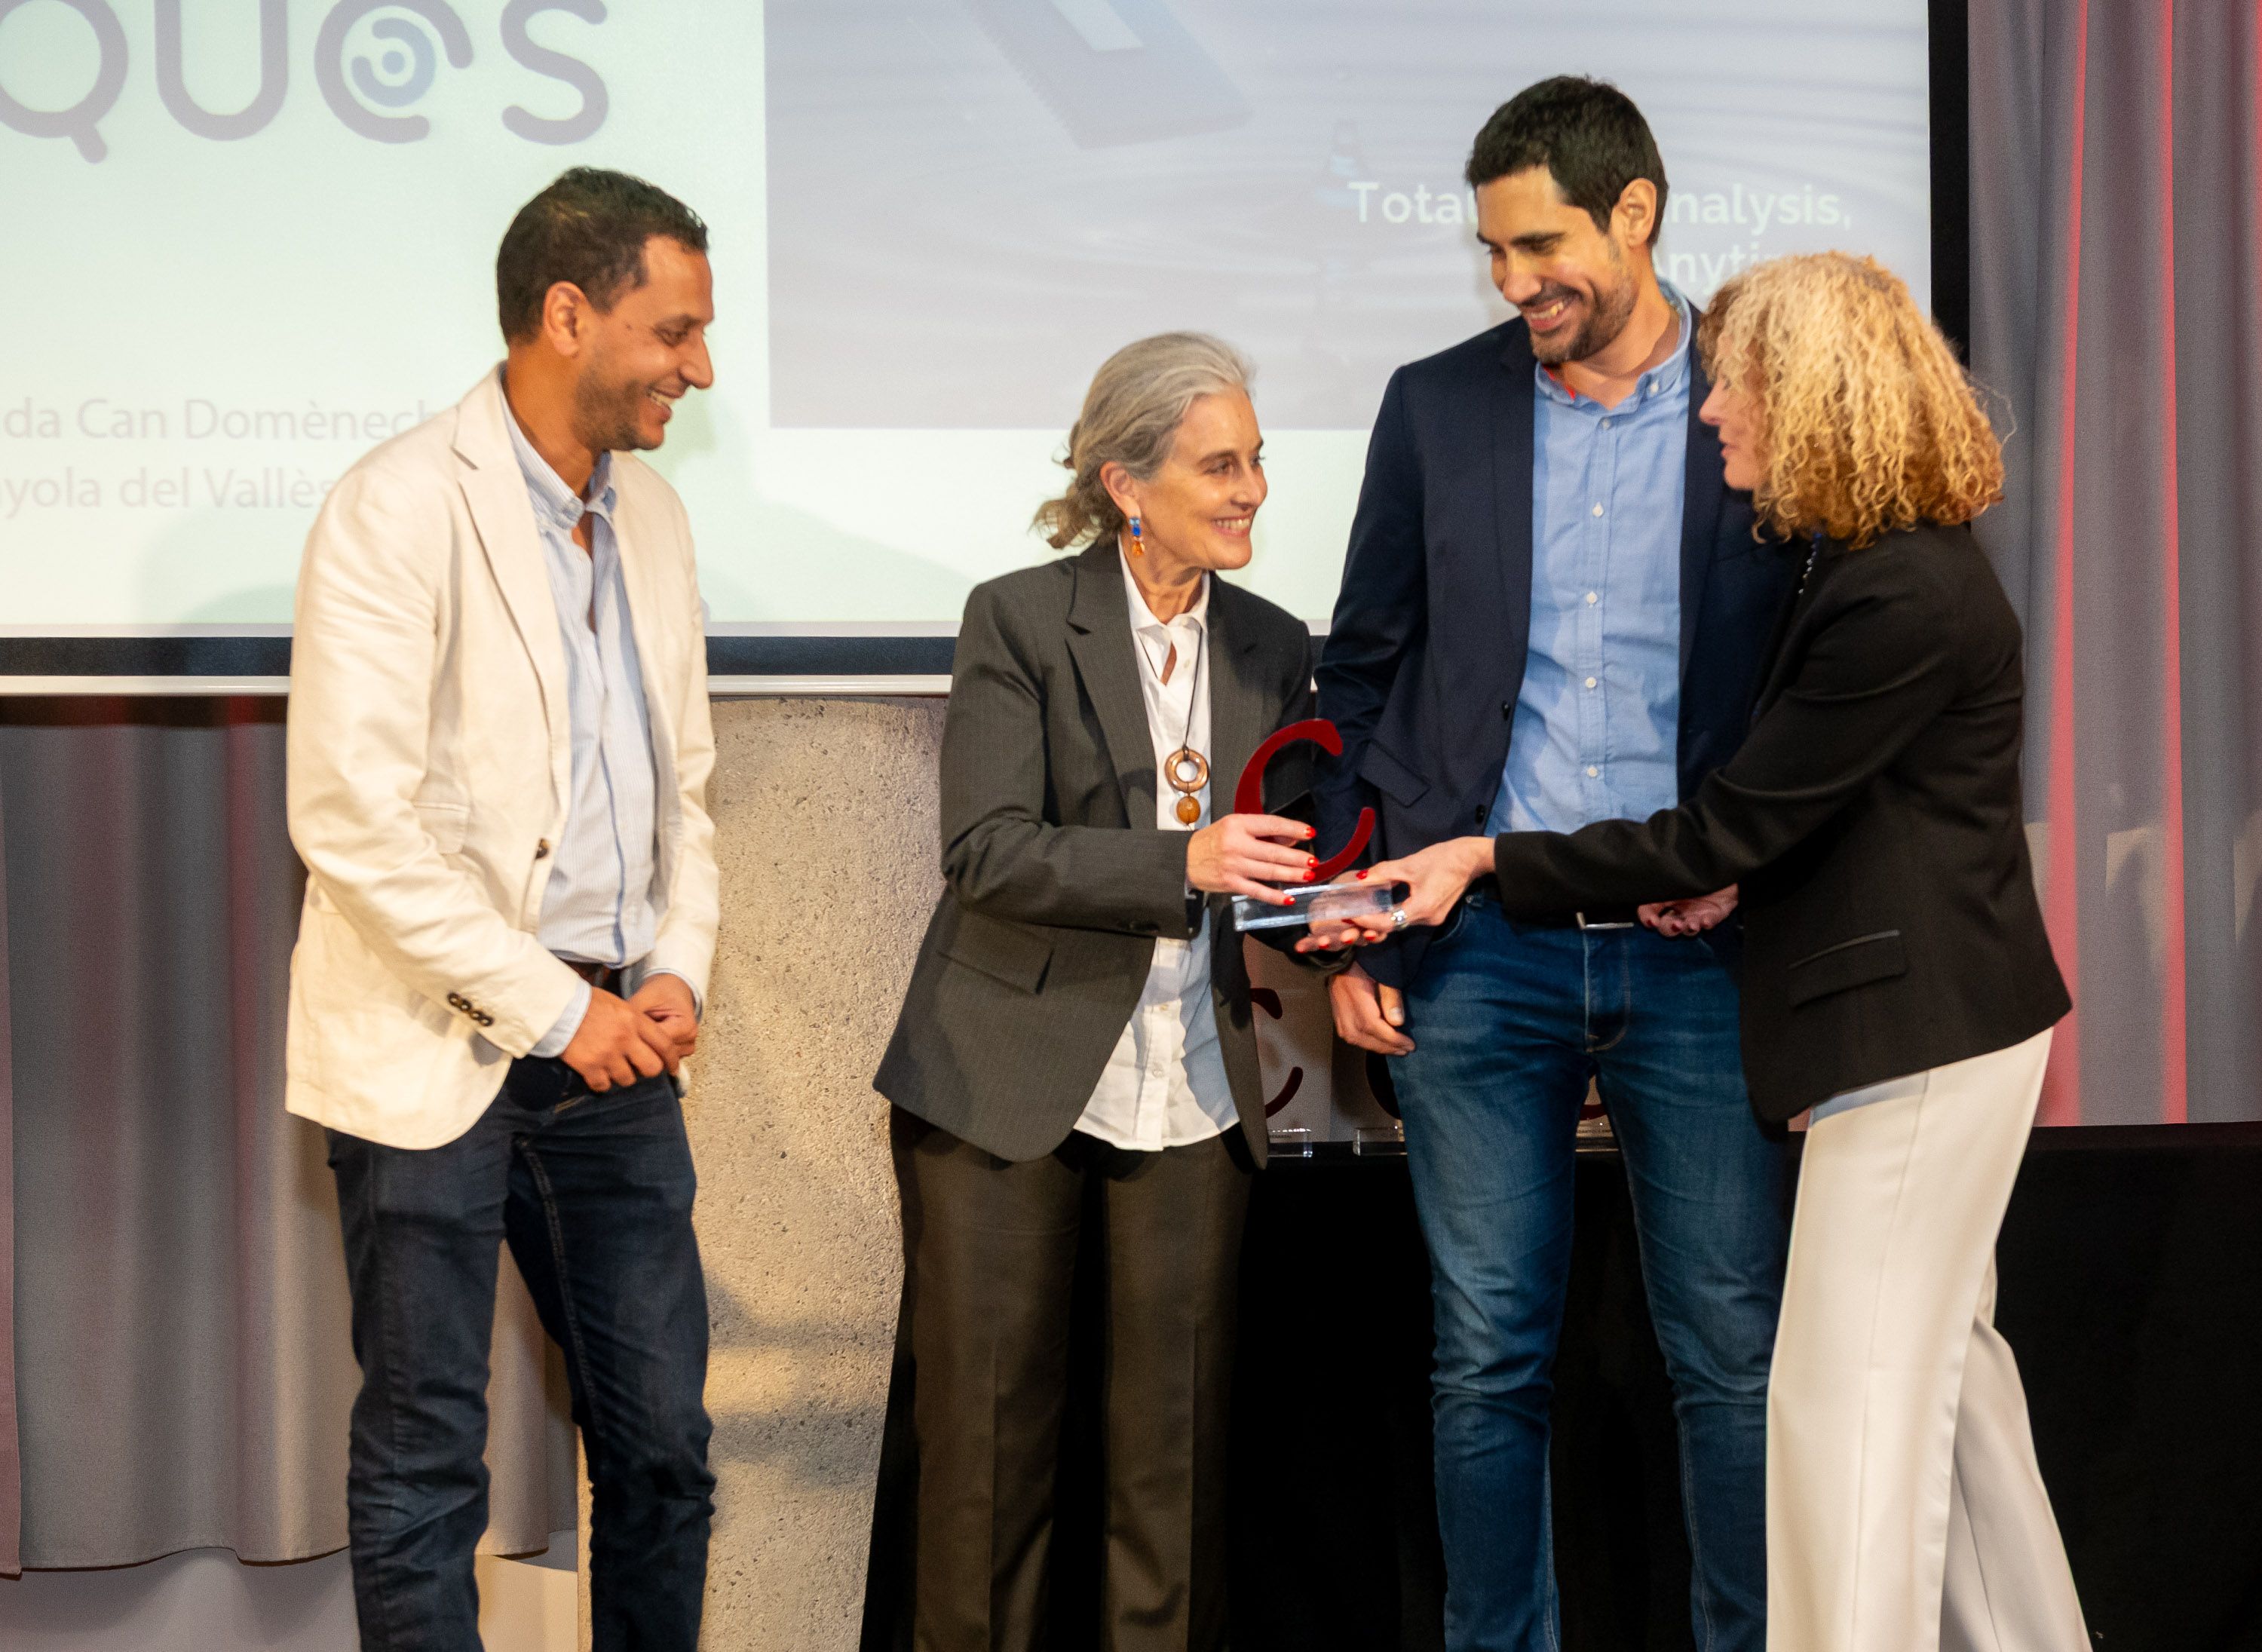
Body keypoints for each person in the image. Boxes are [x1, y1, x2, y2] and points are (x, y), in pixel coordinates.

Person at [1333, 251, 2088, 1652]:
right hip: (1923, 1029)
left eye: (1735, 382)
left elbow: (1727, 827)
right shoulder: (1876, 566)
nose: (1710, 410)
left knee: (1843, 1409)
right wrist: (1738, 879)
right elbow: (1802, 824)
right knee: (1951, 1385)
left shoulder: (1900, 595)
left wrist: (1490, 857)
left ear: (1809, 396)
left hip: (1917, 1040)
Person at [1308, 77, 1794, 1652]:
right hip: (1481, 949)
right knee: (1486, 1353)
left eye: (1540, 246)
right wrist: (1356, 905)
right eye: (1494, 253)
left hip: (1700, 948)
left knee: (1730, 1348)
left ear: (1634, 214)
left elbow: (1819, 677)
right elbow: (1363, 672)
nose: (1514, 283)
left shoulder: (1761, 395)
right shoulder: (1437, 405)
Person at [285, 167, 722, 1650]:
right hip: (436, 1052)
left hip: (622, 1049)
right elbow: (352, 819)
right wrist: (557, 1008)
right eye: (674, 332)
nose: (699, 368)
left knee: (664, 1452)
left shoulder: (656, 518)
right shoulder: (394, 507)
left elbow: (692, 794)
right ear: (564, 314)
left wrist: (675, 967)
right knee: (426, 1471)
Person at [874, 333, 1316, 1652]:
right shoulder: (1018, 617)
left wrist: (1349, 908)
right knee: (989, 1465)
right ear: (1127, 483)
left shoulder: (1274, 646)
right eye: (1219, 465)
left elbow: (1284, 863)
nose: (1251, 491)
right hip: (1002, 1079)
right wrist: (1183, 860)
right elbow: (988, 851)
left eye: (1258, 463)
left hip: (1193, 1081)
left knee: (1171, 1473)